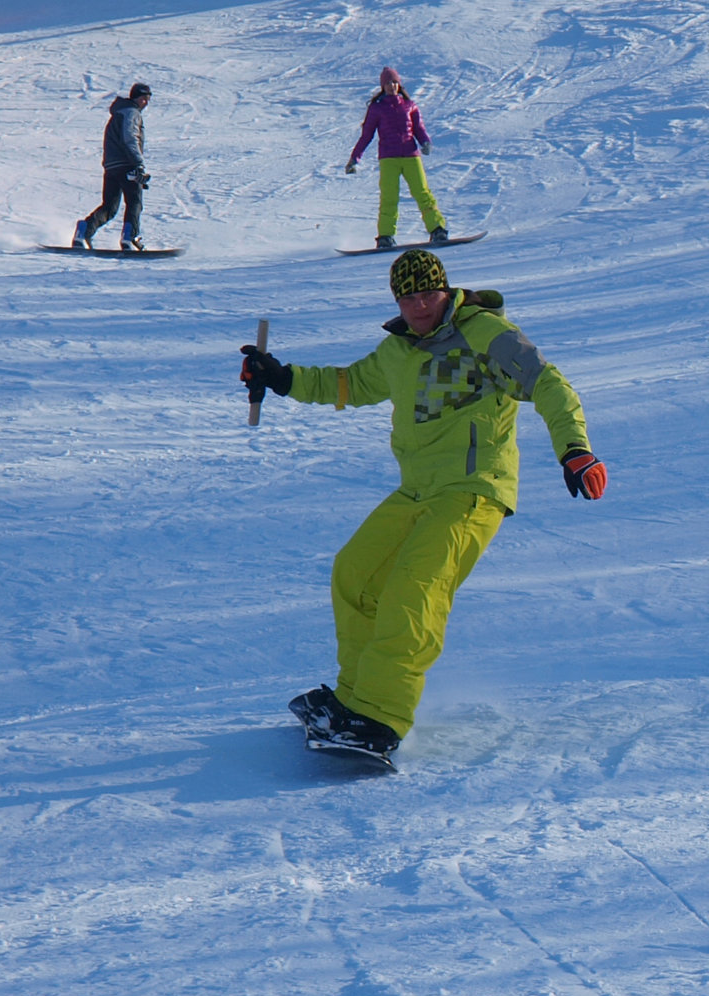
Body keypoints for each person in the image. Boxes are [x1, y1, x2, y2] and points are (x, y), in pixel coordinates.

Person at [238, 250, 608, 759]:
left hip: (474, 489)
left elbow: (548, 383)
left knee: (415, 591)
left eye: (426, 295)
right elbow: (350, 383)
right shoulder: (399, 349)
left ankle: (380, 717)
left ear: (446, 290)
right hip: (417, 489)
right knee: (355, 573)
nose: (417, 307)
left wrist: (575, 451)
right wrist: (282, 378)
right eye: (406, 297)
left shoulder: (485, 333)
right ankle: (353, 698)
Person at [345, 67, 448, 251]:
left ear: (399, 84)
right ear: (382, 86)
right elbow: (366, 135)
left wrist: (425, 142)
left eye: (394, 83)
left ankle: (437, 229)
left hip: (411, 156)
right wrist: (355, 158)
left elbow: (419, 128)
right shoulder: (377, 108)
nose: (392, 86)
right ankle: (385, 236)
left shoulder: (409, 105)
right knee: (389, 198)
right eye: (388, 83)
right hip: (389, 159)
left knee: (423, 193)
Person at [73, 83, 153, 251]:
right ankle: (129, 239)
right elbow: (130, 138)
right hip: (127, 165)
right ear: (135, 98)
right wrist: (138, 163)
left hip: (112, 167)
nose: (145, 102)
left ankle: (83, 231)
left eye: (148, 99)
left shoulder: (118, 113)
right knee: (134, 202)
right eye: (143, 98)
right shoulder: (131, 113)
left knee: (109, 207)